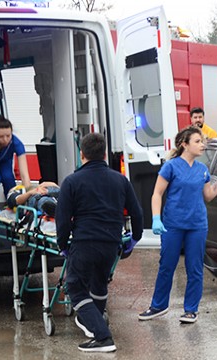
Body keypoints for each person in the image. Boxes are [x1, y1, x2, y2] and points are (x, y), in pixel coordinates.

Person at [55, 133, 144, 353]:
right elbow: (137, 213)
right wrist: (134, 239)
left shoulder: (72, 182)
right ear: (104, 154)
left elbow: (62, 219)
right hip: (110, 244)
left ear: (81, 154)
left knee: (75, 288)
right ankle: (94, 325)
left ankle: (102, 336)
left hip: (84, 242)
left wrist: (63, 245)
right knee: (99, 284)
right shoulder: (120, 180)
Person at [138, 126, 217, 324]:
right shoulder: (170, 167)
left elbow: (208, 196)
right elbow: (157, 194)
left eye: (203, 141)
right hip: (173, 224)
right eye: (198, 141)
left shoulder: (202, 170)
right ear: (184, 144)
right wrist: (155, 218)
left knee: (194, 268)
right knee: (166, 266)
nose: (202, 145)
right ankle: (158, 306)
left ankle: (191, 310)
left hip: (197, 225)